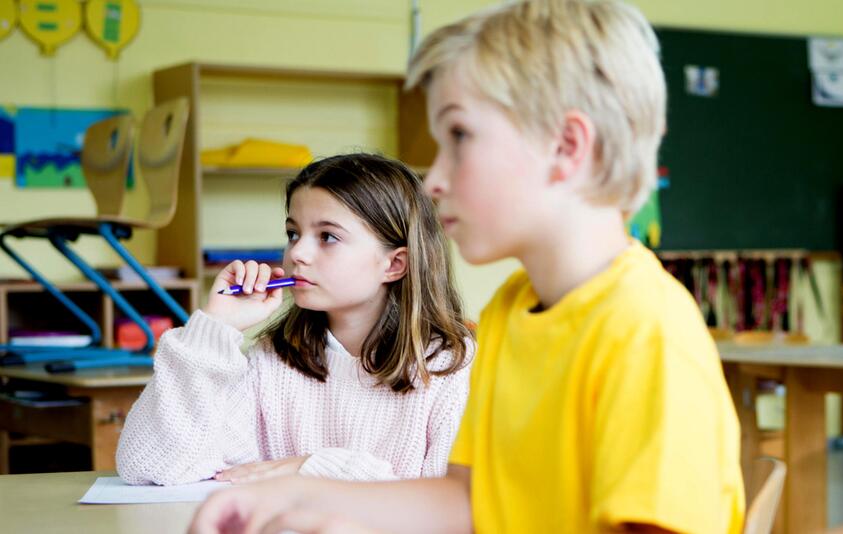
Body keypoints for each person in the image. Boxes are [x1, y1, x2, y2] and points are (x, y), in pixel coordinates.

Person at [190, 1, 744, 532]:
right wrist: (293, 495)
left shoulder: (644, 329)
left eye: (459, 136)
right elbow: (469, 503)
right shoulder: (510, 309)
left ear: (566, 146)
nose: (434, 179)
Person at [116, 153, 473, 486]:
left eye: (328, 237)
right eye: (293, 233)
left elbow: (447, 506)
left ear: (394, 264)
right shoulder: (273, 361)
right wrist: (216, 327)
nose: (296, 253)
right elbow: (149, 466)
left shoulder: (452, 368)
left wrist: (311, 466)